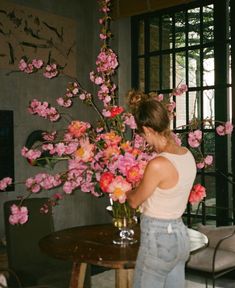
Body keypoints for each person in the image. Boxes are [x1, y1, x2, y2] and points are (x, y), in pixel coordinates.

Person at [126, 90, 197, 288]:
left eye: (142, 134)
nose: (143, 139)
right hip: (180, 236)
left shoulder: (158, 164)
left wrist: (126, 190)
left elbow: (133, 201)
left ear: (147, 129)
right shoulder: (187, 155)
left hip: (158, 238)